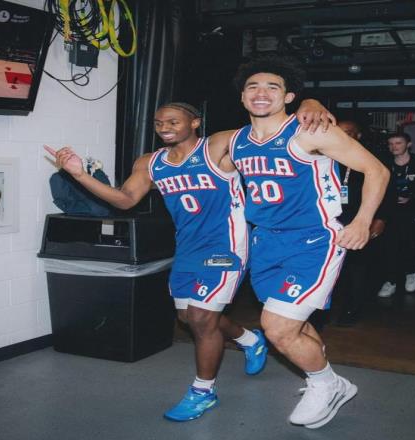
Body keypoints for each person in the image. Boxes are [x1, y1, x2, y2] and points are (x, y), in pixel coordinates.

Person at [45, 99, 335, 422]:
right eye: (159, 123)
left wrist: (310, 103)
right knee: (188, 316)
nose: (165, 128)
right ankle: (249, 339)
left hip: (226, 246)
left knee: (200, 316)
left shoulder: (218, 147)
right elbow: (125, 200)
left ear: (195, 122)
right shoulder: (150, 163)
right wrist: (80, 175)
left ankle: (203, 391)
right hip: (188, 249)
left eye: (173, 122)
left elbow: (267, 130)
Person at [209, 55, 389, 429]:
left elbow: (377, 170)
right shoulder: (235, 141)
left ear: (289, 96)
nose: (261, 93)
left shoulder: (310, 131)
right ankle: (322, 377)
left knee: (276, 327)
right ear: (242, 97)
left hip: (312, 241)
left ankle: (327, 384)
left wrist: (361, 220)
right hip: (265, 243)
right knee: (294, 323)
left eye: (272, 87)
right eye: (253, 87)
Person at [335, 120, 393, 326]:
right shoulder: (326, 155)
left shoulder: (372, 157)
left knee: (357, 267)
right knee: (334, 268)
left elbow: (387, 191)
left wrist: (380, 218)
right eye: (339, 132)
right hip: (332, 220)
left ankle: (353, 309)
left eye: (349, 132)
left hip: (361, 219)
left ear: (358, 136)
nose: (343, 136)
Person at [377, 133, 415, 297]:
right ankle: (390, 280)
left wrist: (413, 198)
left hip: (414, 212)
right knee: (389, 247)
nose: (394, 147)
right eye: (391, 143)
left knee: (412, 244)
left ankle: (411, 272)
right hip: (390, 212)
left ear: (409, 144)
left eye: (398, 143)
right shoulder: (383, 165)